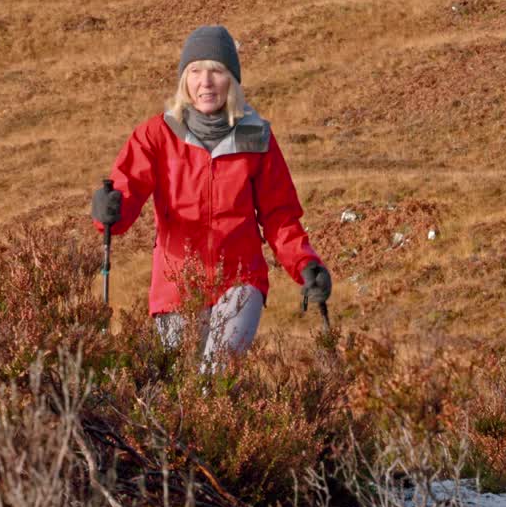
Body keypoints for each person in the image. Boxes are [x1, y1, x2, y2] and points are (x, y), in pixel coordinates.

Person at [91, 25, 331, 367]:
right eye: (195, 71)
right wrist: (109, 210)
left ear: (231, 80)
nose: (206, 82)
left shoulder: (256, 138)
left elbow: (280, 217)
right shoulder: (156, 136)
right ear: (184, 81)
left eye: (216, 71)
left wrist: (305, 263)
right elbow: (123, 198)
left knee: (215, 377)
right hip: (176, 286)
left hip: (240, 281)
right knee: (181, 392)